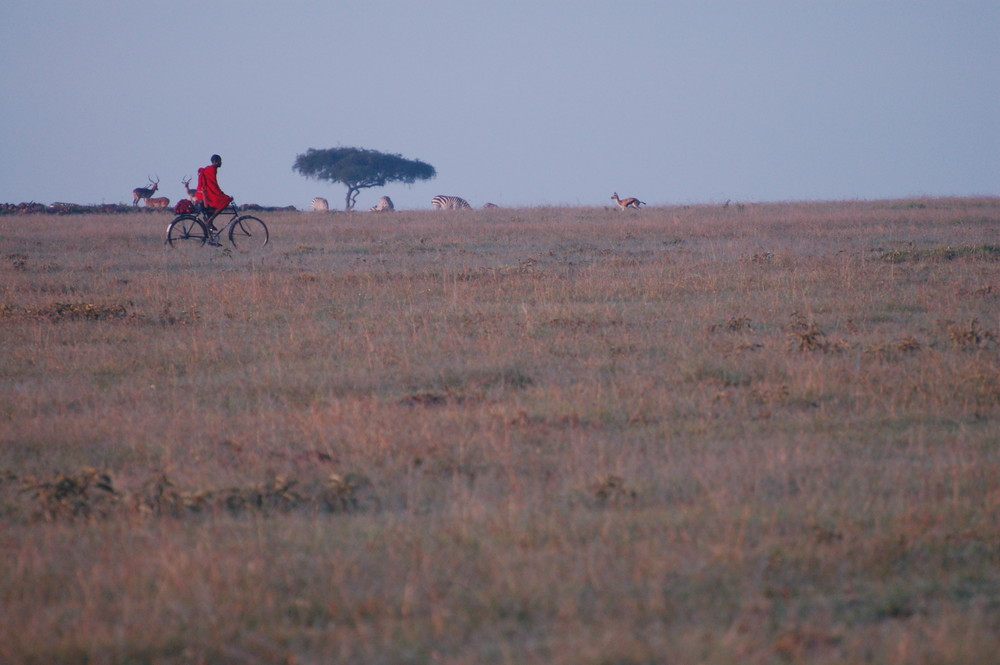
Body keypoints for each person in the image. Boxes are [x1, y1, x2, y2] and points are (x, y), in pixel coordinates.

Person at [195, 154, 233, 230]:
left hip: (204, 193)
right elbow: (213, 185)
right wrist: (222, 194)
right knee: (224, 201)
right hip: (206, 194)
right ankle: (209, 221)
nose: (221, 163)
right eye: (220, 161)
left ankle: (210, 225)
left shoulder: (211, 169)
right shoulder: (212, 169)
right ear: (215, 162)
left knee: (219, 202)